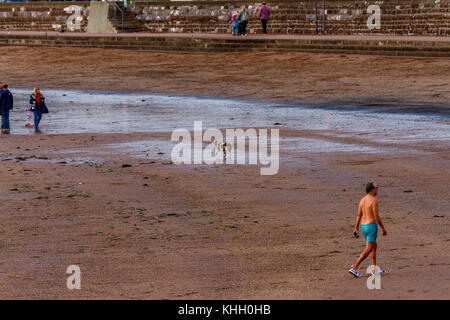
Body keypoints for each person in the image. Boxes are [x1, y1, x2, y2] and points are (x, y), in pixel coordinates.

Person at [349, 182, 387, 277]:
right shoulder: (373, 200)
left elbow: (359, 216)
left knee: (373, 247)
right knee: (369, 248)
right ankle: (354, 267)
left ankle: (374, 270)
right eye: (376, 187)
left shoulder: (362, 200)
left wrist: (356, 228)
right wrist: (382, 228)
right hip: (371, 226)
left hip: (364, 226)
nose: (378, 189)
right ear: (371, 190)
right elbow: (376, 215)